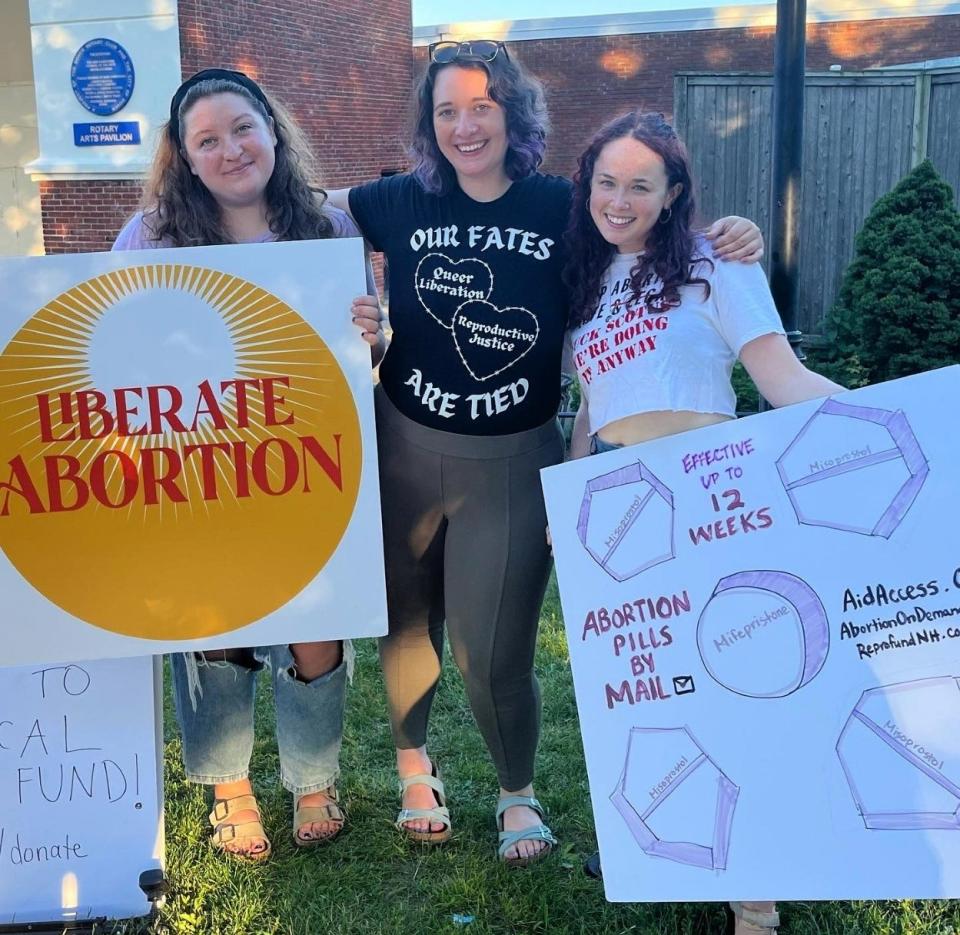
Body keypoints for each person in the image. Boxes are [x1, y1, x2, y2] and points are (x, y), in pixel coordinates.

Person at [332, 40, 765, 865]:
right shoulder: (396, 200)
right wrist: (174, 226)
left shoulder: (561, 207)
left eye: (482, 107)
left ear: (513, 114)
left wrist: (722, 230)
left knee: (493, 649)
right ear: (429, 123)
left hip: (513, 458)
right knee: (404, 620)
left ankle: (515, 790)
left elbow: (639, 227)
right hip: (403, 446)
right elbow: (291, 210)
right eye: (446, 110)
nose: (464, 126)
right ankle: (414, 766)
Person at [563, 110, 844, 933]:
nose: (618, 200)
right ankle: (661, 843)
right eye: (605, 182)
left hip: (706, 498)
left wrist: (912, 421)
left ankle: (755, 896)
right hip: (613, 509)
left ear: (674, 191)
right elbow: (594, 405)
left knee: (732, 689)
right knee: (645, 694)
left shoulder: (716, 261)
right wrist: (572, 496)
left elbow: (783, 381)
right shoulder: (591, 278)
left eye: (639, 185)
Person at [113, 68, 385, 861]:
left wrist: (374, 332)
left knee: (315, 620)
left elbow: (361, 365)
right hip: (193, 466)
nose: (230, 149)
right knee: (213, 617)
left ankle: (311, 778)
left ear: (272, 130)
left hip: (303, 462)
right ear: (185, 158)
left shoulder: (328, 228)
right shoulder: (150, 237)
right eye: (207, 140)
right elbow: (116, 351)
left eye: (242, 128)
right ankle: (230, 787)